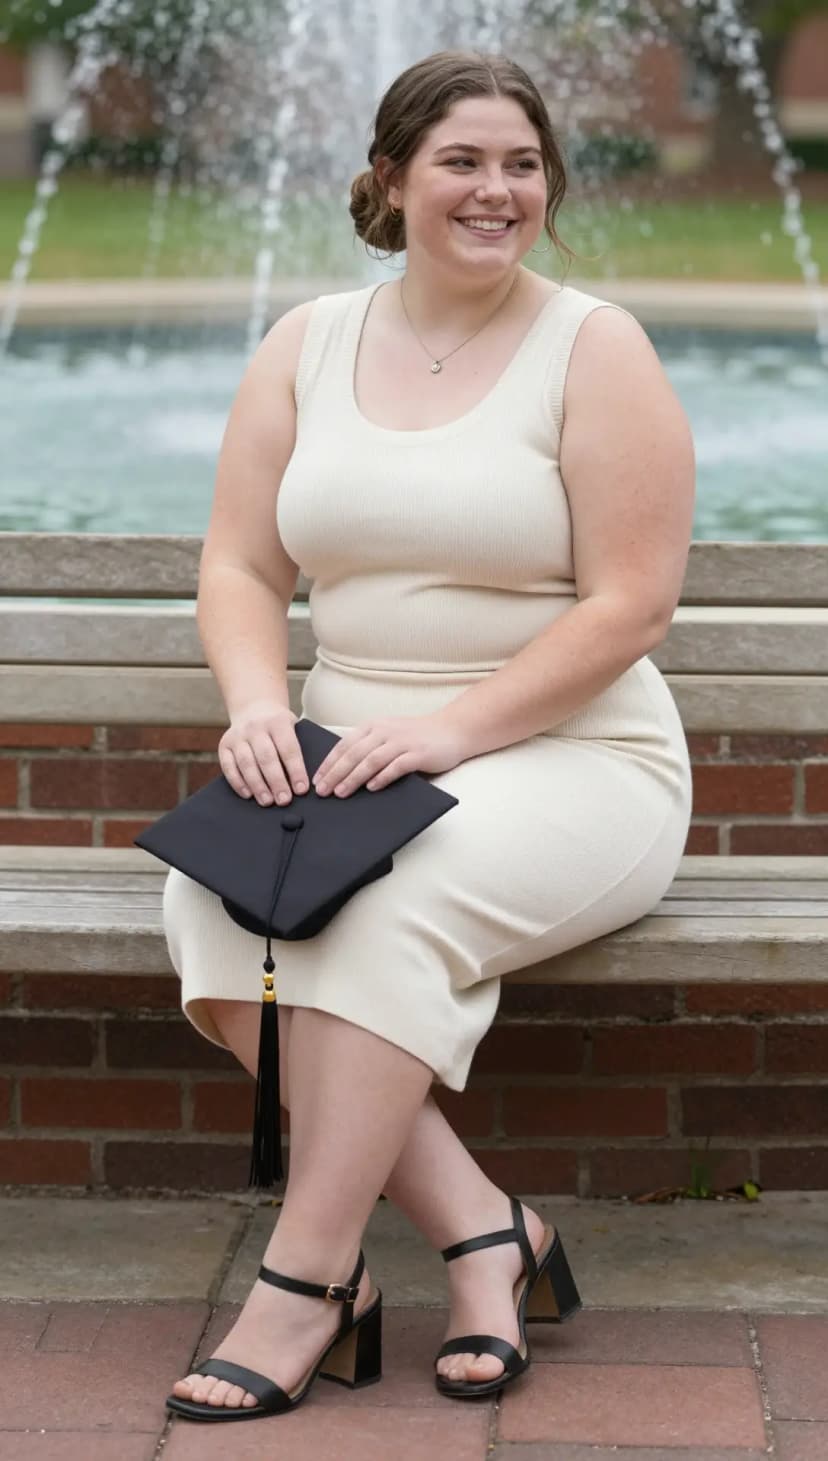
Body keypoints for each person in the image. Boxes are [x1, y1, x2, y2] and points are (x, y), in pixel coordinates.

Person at [163, 47, 694, 1420]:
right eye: (462, 160)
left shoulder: (596, 345)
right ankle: (485, 1231)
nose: (496, 190)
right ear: (391, 179)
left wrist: (453, 729)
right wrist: (261, 703)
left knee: (384, 910)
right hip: (353, 746)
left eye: (522, 164)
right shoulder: (307, 342)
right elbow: (238, 567)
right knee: (218, 910)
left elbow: (632, 607)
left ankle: (306, 1280)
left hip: (571, 754)